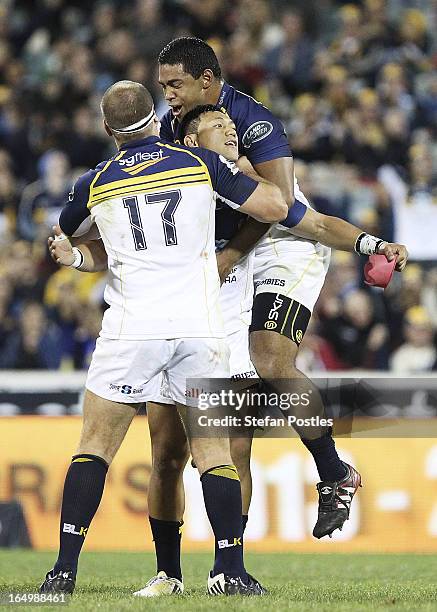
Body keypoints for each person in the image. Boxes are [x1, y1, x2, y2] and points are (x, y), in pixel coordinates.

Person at [62, 103, 408, 596]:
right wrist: (78, 256)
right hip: (173, 318)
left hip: (224, 313)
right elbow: (105, 243)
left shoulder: (246, 181)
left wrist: (372, 245)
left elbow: (313, 223)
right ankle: (168, 573)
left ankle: (231, 565)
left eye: (231, 125)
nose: (230, 131)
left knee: (234, 436)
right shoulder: (177, 178)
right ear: (188, 142)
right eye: (216, 127)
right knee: (165, 451)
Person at [40, 80, 288, 597]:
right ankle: (231, 572)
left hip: (134, 326)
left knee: (95, 446)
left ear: (110, 132)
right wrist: (244, 168)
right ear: (155, 120)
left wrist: (78, 256)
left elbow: (67, 234)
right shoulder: (199, 164)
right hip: (200, 324)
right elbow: (273, 206)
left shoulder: (95, 181)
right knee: (213, 450)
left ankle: (63, 572)